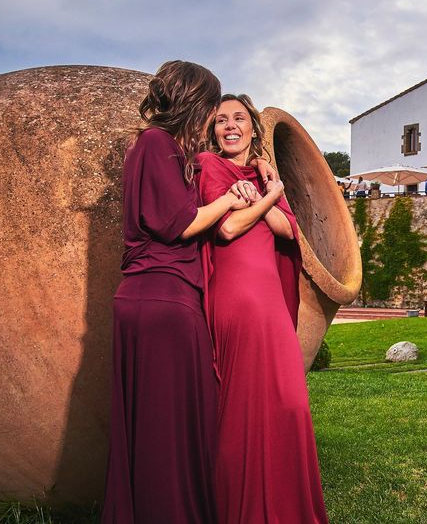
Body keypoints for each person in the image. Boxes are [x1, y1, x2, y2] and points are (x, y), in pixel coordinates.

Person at [102, 61, 274, 523]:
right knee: (174, 433)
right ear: (194, 103)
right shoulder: (157, 145)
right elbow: (178, 226)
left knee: (150, 429)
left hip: (143, 298)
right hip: (165, 301)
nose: (212, 120)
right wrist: (230, 197)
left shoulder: (151, 147)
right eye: (211, 109)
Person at [197, 94, 329, 524]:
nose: (230, 126)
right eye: (221, 120)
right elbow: (228, 228)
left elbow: (288, 229)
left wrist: (264, 194)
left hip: (271, 301)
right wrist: (268, 197)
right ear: (212, 130)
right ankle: (241, 511)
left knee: (289, 404)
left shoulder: (258, 174)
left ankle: (286, 509)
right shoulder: (209, 165)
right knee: (239, 407)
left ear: (254, 128)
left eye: (238, 119)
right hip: (235, 298)